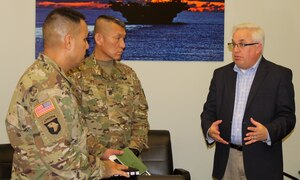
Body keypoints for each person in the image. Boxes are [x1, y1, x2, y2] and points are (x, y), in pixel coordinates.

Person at [5, 7, 129, 179]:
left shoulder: (51, 78)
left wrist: (101, 151)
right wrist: (103, 169)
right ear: (69, 41)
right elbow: (61, 160)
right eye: (85, 39)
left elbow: (73, 135)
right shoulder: (46, 88)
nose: (87, 46)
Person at [201, 23, 296, 180]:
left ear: (258, 47)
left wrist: (268, 132)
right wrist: (209, 128)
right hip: (227, 159)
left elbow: (288, 117)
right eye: (234, 44)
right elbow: (208, 111)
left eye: (242, 44)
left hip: (263, 161)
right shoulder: (221, 75)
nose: (236, 50)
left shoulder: (279, 75)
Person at [68, 15, 149, 160]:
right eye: (117, 38)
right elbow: (73, 124)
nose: (123, 45)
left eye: (124, 39)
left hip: (125, 164)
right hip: (89, 164)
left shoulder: (129, 75)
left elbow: (140, 118)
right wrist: (102, 153)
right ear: (99, 39)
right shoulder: (75, 75)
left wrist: (134, 149)